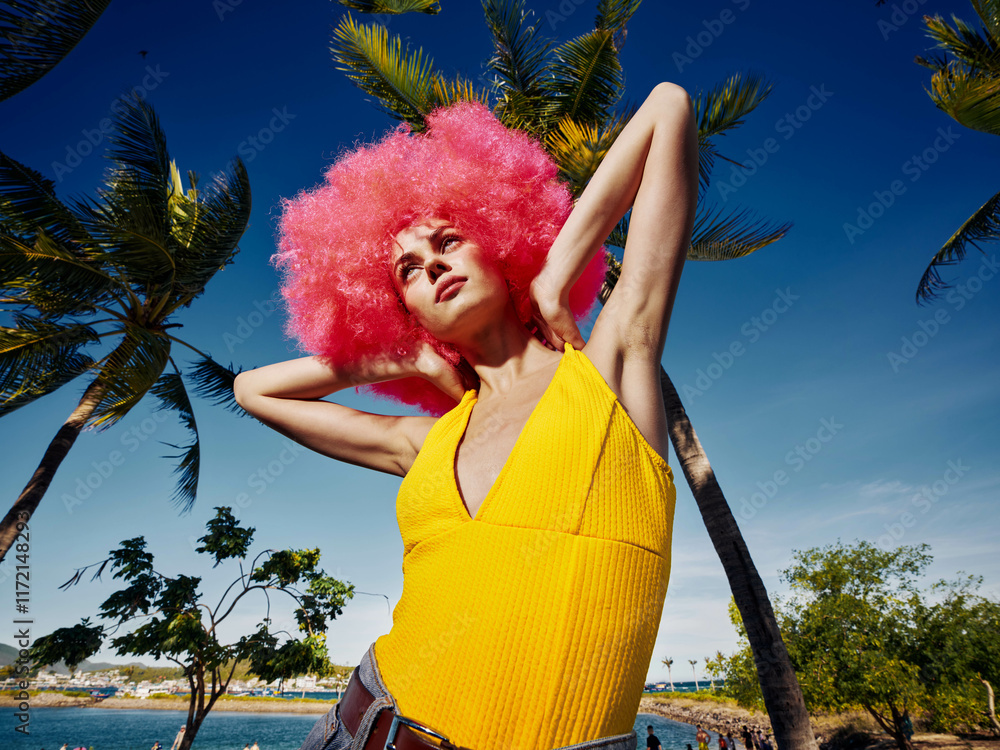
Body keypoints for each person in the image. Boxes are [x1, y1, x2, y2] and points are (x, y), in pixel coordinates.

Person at [237, 83, 697, 750]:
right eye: (408, 273)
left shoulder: (609, 367)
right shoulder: (425, 440)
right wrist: (402, 356)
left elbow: (668, 111)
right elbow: (255, 391)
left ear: (501, 244)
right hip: (357, 726)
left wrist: (556, 272)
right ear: (401, 310)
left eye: (450, 240)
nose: (434, 266)